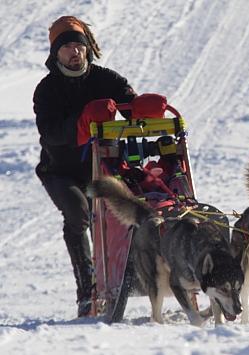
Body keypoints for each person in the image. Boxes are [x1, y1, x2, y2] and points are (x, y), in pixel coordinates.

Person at [33, 16, 138, 317]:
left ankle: (123, 280)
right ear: (56, 53)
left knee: (121, 217)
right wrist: (82, 121)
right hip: (60, 171)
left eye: (78, 45)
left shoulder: (106, 79)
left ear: (87, 48)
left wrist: (141, 106)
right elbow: (50, 133)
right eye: (67, 47)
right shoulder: (46, 90)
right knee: (79, 214)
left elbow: (130, 102)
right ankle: (87, 293)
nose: (74, 52)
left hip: (104, 167)